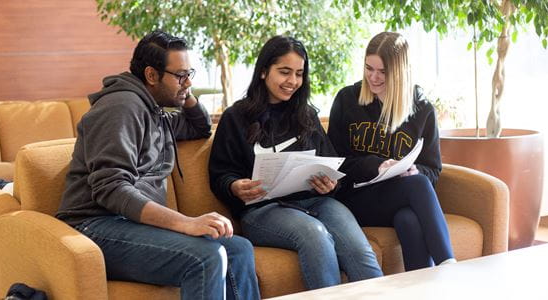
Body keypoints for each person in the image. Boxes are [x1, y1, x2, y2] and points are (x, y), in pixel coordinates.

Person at [56, 30, 260, 300]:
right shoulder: (120, 108)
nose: (187, 82)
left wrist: (183, 90)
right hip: (96, 225)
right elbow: (111, 189)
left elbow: (199, 127)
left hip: (131, 224)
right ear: (151, 75)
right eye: (180, 75)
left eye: (190, 74)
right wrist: (185, 223)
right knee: (206, 257)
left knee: (239, 249)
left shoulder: (154, 111)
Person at [209, 35, 383, 290]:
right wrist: (234, 186)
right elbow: (220, 174)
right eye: (284, 72)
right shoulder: (236, 117)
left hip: (316, 201)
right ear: (263, 71)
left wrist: (329, 185)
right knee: (315, 235)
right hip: (263, 211)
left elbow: (331, 165)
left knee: (360, 251)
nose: (292, 82)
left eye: (299, 74)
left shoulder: (307, 115)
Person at [327, 32, 456, 271]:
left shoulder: (422, 110)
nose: (373, 77)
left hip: (397, 196)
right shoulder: (347, 100)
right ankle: (449, 267)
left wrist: (416, 170)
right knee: (417, 186)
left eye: (383, 71)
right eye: (369, 68)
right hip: (354, 198)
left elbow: (433, 169)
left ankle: (422, 291)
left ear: (400, 71)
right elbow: (335, 161)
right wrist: (376, 165)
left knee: (409, 219)